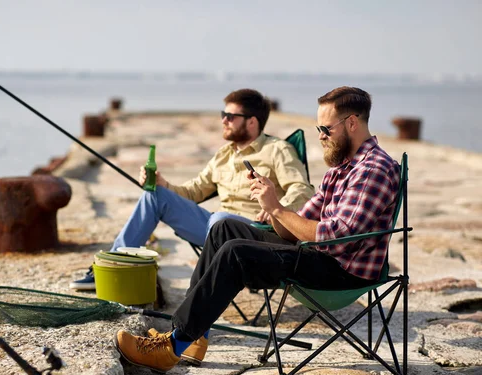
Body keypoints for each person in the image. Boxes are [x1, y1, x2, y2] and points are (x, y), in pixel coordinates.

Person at [113, 86, 401, 373]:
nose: (321, 136)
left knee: (237, 253)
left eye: (326, 128)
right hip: (318, 254)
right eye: (318, 128)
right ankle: (193, 334)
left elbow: (338, 239)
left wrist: (276, 208)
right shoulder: (342, 169)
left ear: (352, 122)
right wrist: (271, 203)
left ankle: (171, 346)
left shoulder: (373, 169)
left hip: (342, 271)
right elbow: (297, 224)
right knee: (225, 228)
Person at [70, 88, 314, 290]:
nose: (223, 120)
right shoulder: (223, 155)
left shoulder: (277, 149)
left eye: (230, 116)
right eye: (223, 114)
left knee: (221, 219)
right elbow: (194, 192)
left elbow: (302, 190)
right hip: (214, 227)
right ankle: (112, 266)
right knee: (154, 195)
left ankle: (196, 304)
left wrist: (275, 210)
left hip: (255, 231)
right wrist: (163, 184)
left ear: (252, 122)